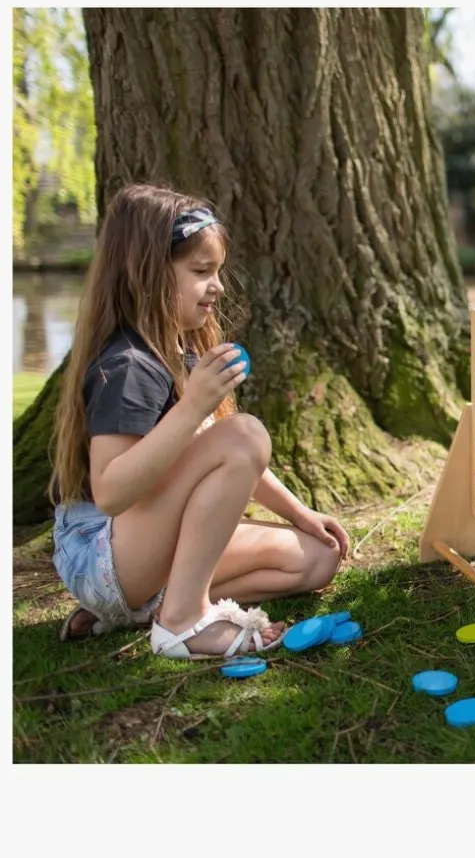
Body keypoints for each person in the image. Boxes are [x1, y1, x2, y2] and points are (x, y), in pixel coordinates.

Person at [50, 185, 350, 660]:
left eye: (218, 271)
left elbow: (224, 452)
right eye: (201, 271)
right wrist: (191, 408)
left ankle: (147, 609)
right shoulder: (128, 366)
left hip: (142, 558)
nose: (218, 286)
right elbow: (110, 491)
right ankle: (182, 623)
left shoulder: (179, 352)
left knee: (318, 558)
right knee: (245, 432)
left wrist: (300, 515)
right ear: (147, 273)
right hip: (101, 553)